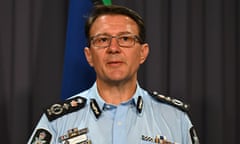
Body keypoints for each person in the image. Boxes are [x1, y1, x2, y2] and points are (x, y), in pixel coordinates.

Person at [28, 4, 200, 144]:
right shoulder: (58, 121)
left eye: (125, 39)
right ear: (89, 56)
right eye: (102, 40)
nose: (113, 49)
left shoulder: (175, 119)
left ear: (143, 52)